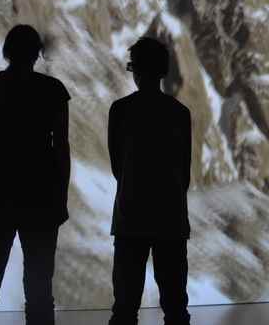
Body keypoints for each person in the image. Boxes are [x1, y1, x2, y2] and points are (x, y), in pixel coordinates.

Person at [0, 25, 71, 325]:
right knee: (39, 287)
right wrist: (61, 195)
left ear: (8, 51)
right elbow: (61, 148)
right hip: (41, 197)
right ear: (37, 53)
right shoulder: (53, 91)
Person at [107, 37, 192, 325]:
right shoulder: (180, 114)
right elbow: (185, 171)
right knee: (175, 304)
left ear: (137, 70)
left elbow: (117, 166)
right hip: (171, 217)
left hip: (131, 215)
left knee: (125, 305)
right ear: (163, 70)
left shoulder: (120, 111)